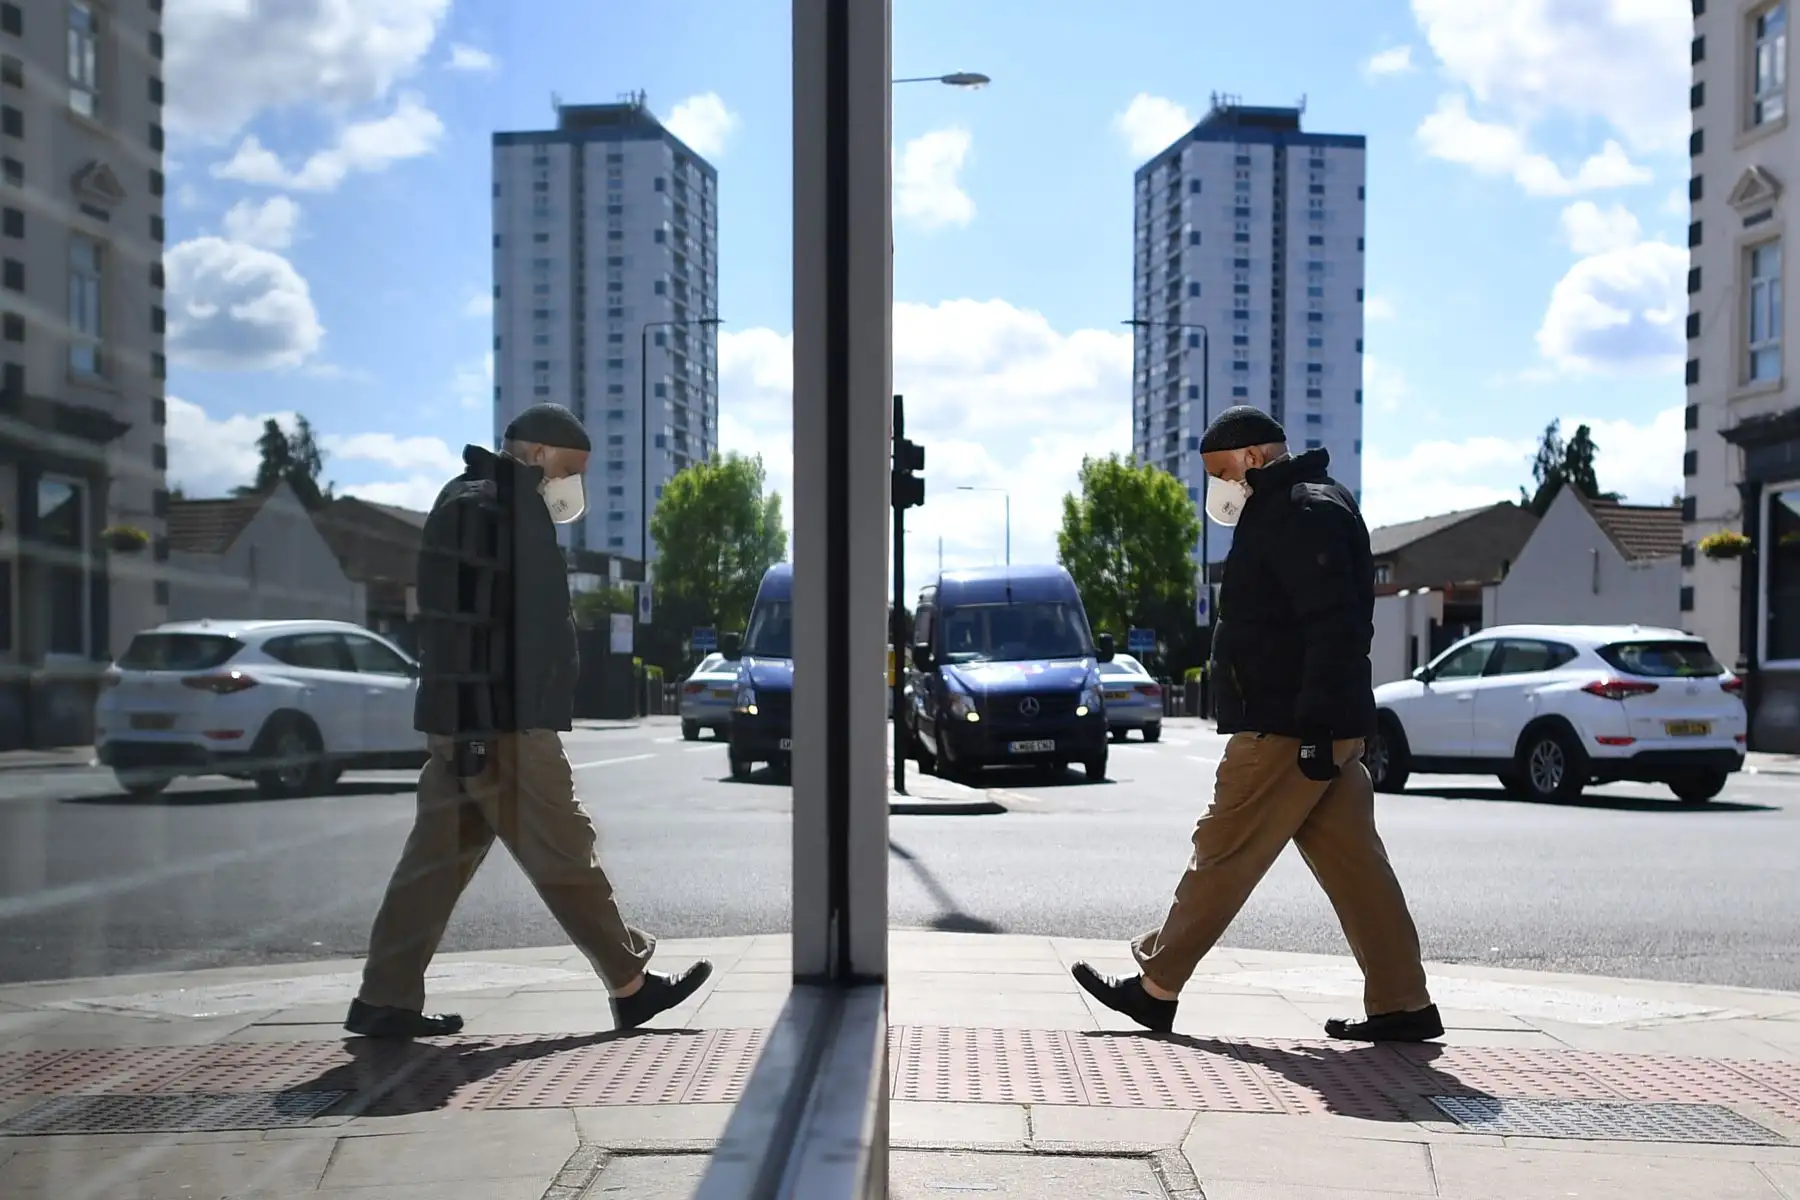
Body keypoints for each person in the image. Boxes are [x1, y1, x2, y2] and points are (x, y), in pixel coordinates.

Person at [1071, 406, 1441, 1042]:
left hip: (1288, 726)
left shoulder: (1301, 510)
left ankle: (1156, 987)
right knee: (1356, 867)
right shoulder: (1299, 504)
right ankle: (1403, 1002)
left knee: (1223, 849)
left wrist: (1318, 727)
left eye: (1220, 471)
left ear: (1252, 457)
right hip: (1311, 725)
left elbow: (1333, 628)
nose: (1217, 486)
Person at [346, 403, 711, 1039]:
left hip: (469, 719)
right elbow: (486, 627)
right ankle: (631, 985)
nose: (573, 484)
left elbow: (464, 622)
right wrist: (485, 727)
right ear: (538, 454)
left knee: (433, 865)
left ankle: (385, 997)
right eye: (570, 468)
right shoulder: (503, 509)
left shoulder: (467, 499)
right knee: (565, 850)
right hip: (503, 722)